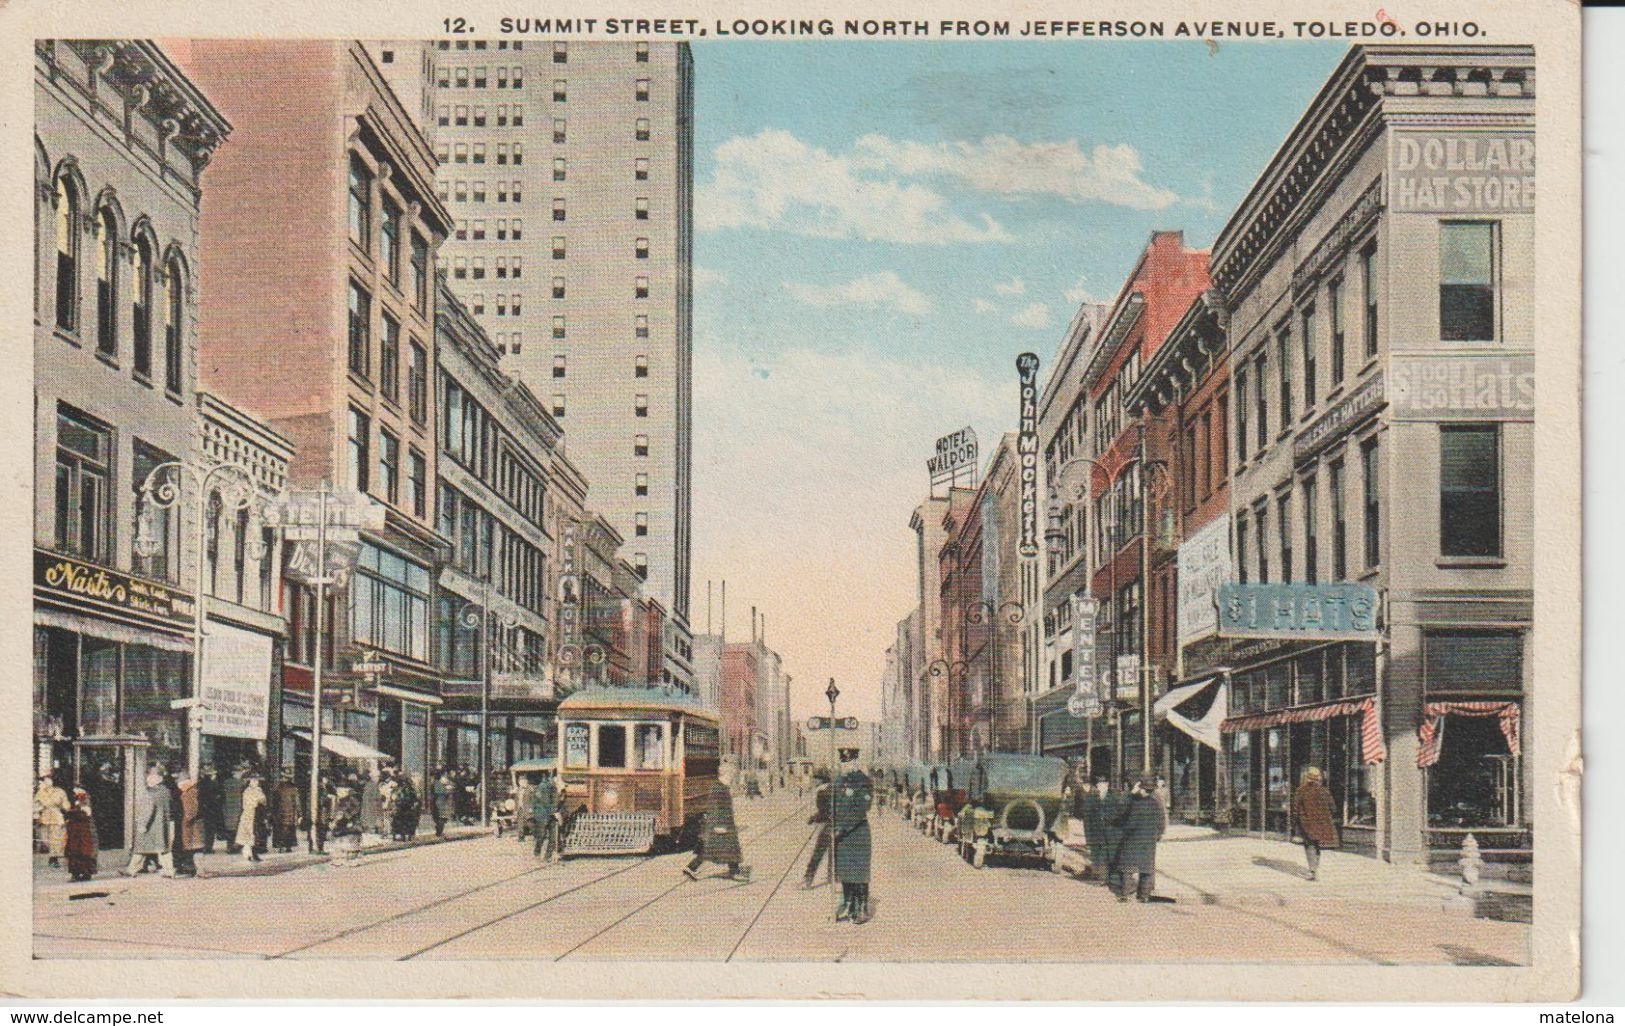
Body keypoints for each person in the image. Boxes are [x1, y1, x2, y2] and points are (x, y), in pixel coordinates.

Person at [831, 749, 873, 924]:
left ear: (855, 762)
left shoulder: (864, 781)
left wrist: (843, 828)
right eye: (843, 762)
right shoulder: (838, 781)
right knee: (845, 872)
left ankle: (862, 908)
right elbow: (833, 806)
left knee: (860, 873)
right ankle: (848, 905)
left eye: (848, 762)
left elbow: (861, 809)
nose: (845, 765)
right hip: (842, 836)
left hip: (858, 834)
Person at [1111, 776, 1166, 903]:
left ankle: (1125, 893)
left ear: (1141, 788)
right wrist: (1157, 835)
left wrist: (1130, 794)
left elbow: (1126, 816)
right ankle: (1144, 895)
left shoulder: (1136, 803)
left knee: (1127, 867)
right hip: (1149, 840)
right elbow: (1161, 822)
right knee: (1147, 868)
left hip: (1133, 839)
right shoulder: (1155, 803)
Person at [683, 776, 748, 881]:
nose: (732, 779)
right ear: (724, 775)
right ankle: (734, 872)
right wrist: (718, 825)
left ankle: (690, 868)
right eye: (731, 776)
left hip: (724, 824)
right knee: (727, 848)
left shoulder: (722, 788)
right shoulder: (718, 788)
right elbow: (714, 807)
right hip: (720, 825)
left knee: (714, 850)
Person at [121, 765, 175, 877]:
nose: (148, 779)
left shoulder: (151, 792)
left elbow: (148, 809)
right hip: (161, 825)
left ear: (158, 779)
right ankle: (169, 870)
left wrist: (142, 824)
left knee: (140, 848)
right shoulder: (165, 791)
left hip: (151, 826)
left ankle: (131, 870)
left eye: (151, 777)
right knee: (163, 849)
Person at [1290, 766, 1340, 881]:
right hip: (1322, 823)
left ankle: (1313, 871)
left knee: (1310, 845)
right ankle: (1315, 868)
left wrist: (1293, 824)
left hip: (1306, 823)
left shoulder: (1300, 791)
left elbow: (1295, 810)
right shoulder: (1324, 790)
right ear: (1318, 778)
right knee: (1316, 845)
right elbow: (1333, 807)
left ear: (1306, 777)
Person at [801, 772, 831, 888]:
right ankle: (831, 876)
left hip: (828, 825)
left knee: (818, 852)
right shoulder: (833, 788)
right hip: (839, 825)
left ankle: (808, 879)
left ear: (820, 780)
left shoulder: (821, 792)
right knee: (832, 852)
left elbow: (824, 812)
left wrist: (813, 819)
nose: (813, 781)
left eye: (815, 779)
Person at [34, 772, 70, 867]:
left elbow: (65, 804)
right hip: (44, 817)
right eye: (45, 779)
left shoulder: (60, 792)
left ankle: (54, 858)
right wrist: (36, 814)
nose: (47, 781)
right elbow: (36, 805)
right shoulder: (40, 792)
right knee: (45, 839)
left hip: (56, 817)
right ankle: (52, 856)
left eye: (48, 779)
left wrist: (67, 809)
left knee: (56, 838)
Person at [64, 788, 99, 881]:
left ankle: (86, 873)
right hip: (75, 832)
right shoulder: (74, 804)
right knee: (74, 852)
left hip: (84, 832)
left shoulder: (86, 805)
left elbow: (86, 815)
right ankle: (75, 874)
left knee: (85, 852)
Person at [174, 770, 201, 877]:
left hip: (188, 826)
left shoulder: (189, 792)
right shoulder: (190, 791)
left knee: (188, 847)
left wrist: (185, 821)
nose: (179, 787)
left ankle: (188, 869)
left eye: (180, 784)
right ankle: (187, 868)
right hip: (187, 825)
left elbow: (191, 811)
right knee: (187, 847)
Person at [530, 770, 560, 861]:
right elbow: (545, 801)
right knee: (541, 836)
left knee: (553, 837)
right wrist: (554, 812)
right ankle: (537, 852)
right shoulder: (545, 786)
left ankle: (547, 856)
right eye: (558, 777)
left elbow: (555, 801)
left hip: (550, 815)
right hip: (542, 815)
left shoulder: (552, 786)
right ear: (553, 777)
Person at [238, 775, 268, 862]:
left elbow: (263, 801)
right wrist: (258, 801)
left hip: (256, 815)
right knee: (250, 834)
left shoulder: (256, 790)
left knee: (254, 835)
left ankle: (253, 854)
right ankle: (250, 854)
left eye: (257, 781)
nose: (256, 782)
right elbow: (254, 802)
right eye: (254, 781)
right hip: (250, 815)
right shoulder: (248, 791)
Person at [272, 771, 301, 852]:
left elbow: (274, 801)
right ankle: (288, 846)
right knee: (289, 829)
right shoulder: (293, 789)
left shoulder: (277, 788)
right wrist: (299, 813)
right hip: (290, 811)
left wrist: (273, 812)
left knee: (281, 828)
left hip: (280, 811)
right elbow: (297, 802)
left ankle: (281, 846)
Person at [198, 766, 224, 853]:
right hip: (212, 809)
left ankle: (202, 846)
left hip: (203, 809)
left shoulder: (200, 784)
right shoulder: (214, 784)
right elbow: (218, 796)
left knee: (203, 829)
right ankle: (209, 847)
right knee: (210, 829)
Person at [221, 766, 245, 854]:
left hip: (228, 808)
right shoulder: (241, 783)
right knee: (238, 829)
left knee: (230, 829)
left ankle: (229, 847)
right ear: (236, 773)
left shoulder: (226, 782)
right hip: (238, 808)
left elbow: (222, 795)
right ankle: (236, 847)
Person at [392, 773, 420, 842]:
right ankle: (405, 836)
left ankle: (407, 836)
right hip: (403, 807)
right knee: (403, 822)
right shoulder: (399, 788)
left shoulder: (410, 788)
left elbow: (416, 797)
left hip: (407, 806)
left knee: (406, 821)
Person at [359, 767, 385, 843]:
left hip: (372, 806)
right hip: (367, 805)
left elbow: (377, 796)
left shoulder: (372, 784)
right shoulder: (367, 785)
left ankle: (374, 834)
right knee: (367, 820)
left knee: (373, 820)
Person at [513, 774, 536, 842]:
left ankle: (536, 836)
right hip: (520, 809)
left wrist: (531, 807)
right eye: (520, 781)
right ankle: (521, 837)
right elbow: (516, 800)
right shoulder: (518, 790)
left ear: (526, 781)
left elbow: (534, 799)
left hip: (528, 808)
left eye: (523, 781)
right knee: (520, 823)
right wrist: (515, 809)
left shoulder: (530, 789)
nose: (522, 783)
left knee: (530, 823)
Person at [430, 770, 452, 838]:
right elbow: (442, 793)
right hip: (439, 802)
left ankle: (439, 831)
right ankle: (439, 832)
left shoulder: (435, 783)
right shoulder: (437, 783)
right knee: (441, 818)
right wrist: (447, 792)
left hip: (436, 802)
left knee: (439, 818)